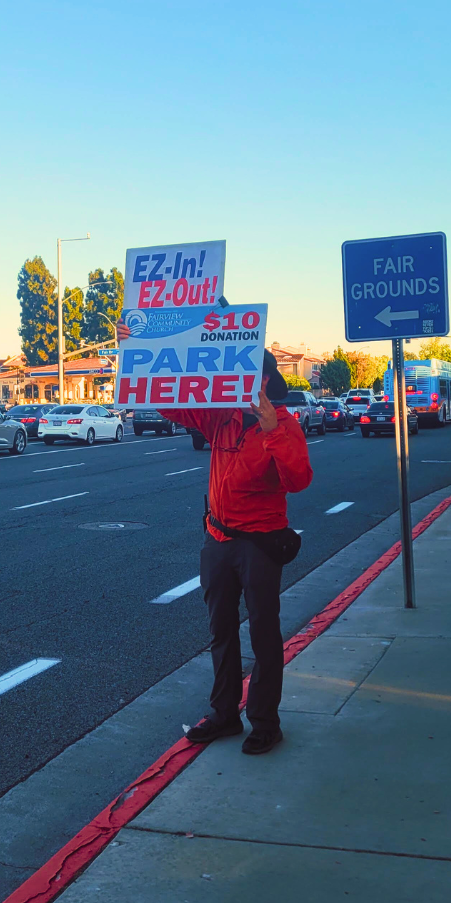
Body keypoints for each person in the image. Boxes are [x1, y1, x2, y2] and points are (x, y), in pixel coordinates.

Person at [116, 323, 313, 754]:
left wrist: (271, 430)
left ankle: (264, 721)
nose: (247, 380)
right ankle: (225, 715)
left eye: (255, 375)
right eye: (240, 372)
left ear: (266, 381)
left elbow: (299, 480)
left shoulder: (283, 423)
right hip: (218, 541)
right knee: (220, 632)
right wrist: (133, 349)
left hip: (260, 544)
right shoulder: (218, 416)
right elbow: (164, 402)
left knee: (263, 633)